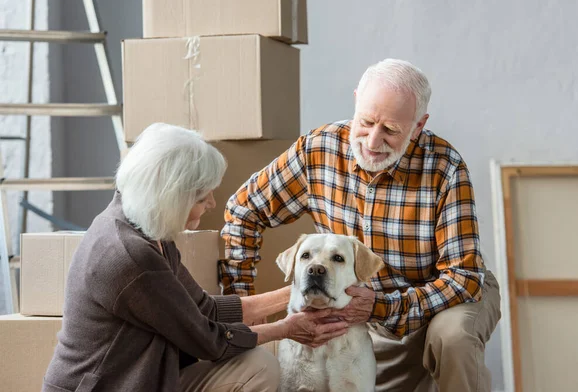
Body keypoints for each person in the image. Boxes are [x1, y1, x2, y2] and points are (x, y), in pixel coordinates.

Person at [218, 59, 502, 392]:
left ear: (418, 126)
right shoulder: (318, 149)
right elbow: (243, 210)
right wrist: (243, 303)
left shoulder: (445, 167)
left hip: (445, 294)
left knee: (452, 338)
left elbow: (463, 277)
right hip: (365, 311)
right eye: (366, 122)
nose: (372, 140)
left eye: (392, 130)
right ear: (356, 101)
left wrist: (380, 306)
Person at [42, 123, 349, 392]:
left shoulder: (146, 230)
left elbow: (202, 308)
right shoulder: (130, 256)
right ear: (171, 196)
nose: (213, 204)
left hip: (141, 377)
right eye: (203, 197)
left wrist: (298, 292)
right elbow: (208, 340)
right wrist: (287, 328)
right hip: (109, 386)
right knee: (258, 368)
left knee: (255, 364)